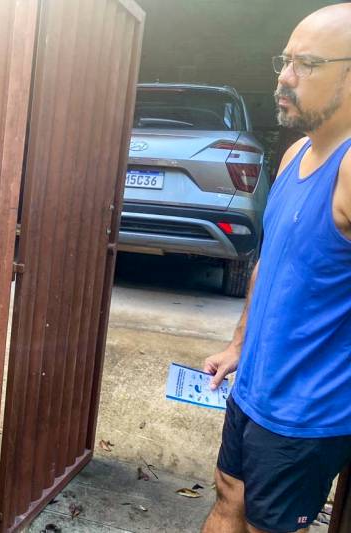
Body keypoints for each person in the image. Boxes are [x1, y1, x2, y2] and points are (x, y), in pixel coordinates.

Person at [201, 4, 351, 533]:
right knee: (227, 495)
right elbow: (271, 262)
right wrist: (239, 345)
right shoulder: (294, 156)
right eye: (285, 61)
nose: (285, 78)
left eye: (306, 64)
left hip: (307, 411)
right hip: (256, 388)